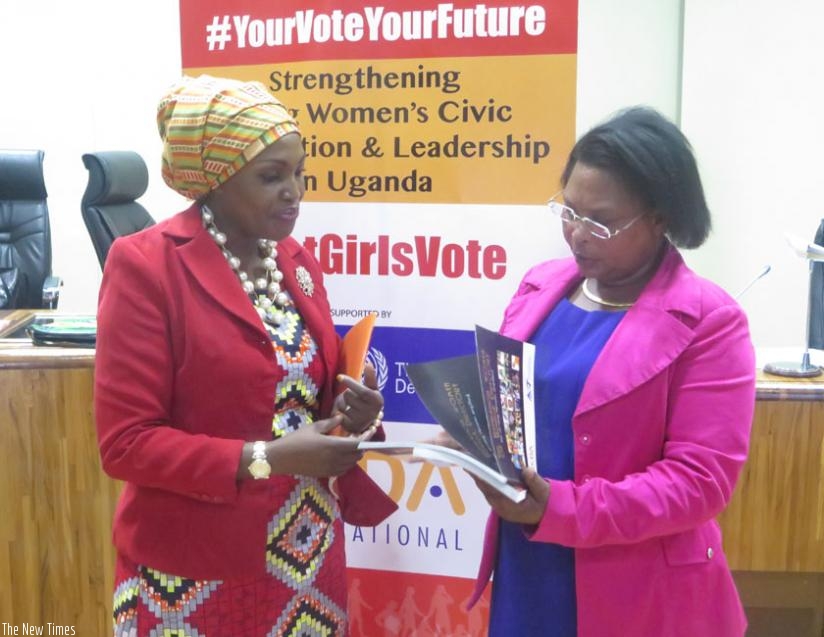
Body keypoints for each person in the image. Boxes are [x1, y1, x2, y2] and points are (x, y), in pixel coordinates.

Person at [95, 74, 397, 636]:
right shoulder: (145, 266)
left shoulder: (295, 261)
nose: (295, 191)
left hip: (308, 562)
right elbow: (126, 444)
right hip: (196, 571)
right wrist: (269, 458)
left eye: (300, 172)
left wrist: (351, 405)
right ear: (216, 180)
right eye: (271, 177)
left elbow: (305, 388)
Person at [464, 106, 756, 636]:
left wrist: (561, 508)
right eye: (568, 211)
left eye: (600, 221)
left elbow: (699, 483)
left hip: (635, 583)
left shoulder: (710, 322)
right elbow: (517, 409)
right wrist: (472, 434)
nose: (577, 235)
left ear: (660, 218)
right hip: (530, 560)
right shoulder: (540, 286)